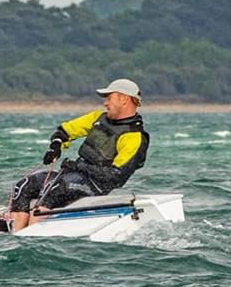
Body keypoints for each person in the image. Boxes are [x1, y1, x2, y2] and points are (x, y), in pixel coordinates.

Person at [9, 78, 149, 231]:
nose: (105, 103)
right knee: (24, 186)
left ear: (123, 99)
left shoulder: (134, 137)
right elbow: (65, 131)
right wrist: (55, 146)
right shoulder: (98, 118)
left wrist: (79, 166)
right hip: (73, 175)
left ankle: (31, 240)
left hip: (96, 186)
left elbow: (115, 176)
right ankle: (15, 238)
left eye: (109, 98)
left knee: (55, 189)